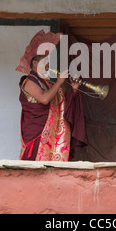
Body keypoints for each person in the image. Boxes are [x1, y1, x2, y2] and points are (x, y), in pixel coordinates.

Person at [16, 30, 87, 161]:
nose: (48, 64)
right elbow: (44, 99)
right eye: (44, 61)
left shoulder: (47, 83)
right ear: (35, 63)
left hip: (50, 134)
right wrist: (59, 82)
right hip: (36, 134)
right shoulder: (29, 82)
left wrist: (73, 90)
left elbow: (59, 101)